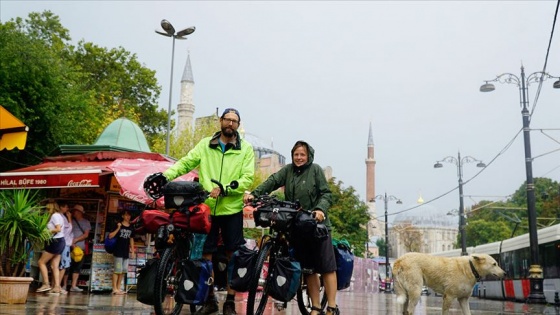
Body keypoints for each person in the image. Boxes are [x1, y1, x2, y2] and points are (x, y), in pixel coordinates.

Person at [160, 108, 255, 315]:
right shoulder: (205, 144)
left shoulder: (246, 149)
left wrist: (227, 188)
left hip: (231, 208)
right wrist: (165, 176)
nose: (230, 124)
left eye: (234, 121)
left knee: (233, 254)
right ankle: (210, 299)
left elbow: (247, 177)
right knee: (206, 255)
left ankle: (230, 300)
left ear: (238, 125)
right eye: (227, 120)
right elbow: (186, 162)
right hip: (207, 209)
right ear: (220, 121)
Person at [244, 140, 340, 315]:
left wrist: (320, 209)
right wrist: (254, 194)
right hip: (297, 225)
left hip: (317, 226)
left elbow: (326, 193)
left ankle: (332, 307)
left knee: (326, 267)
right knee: (308, 269)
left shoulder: (316, 170)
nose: (299, 158)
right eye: (296, 154)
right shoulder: (287, 171)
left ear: (309, 156)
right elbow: (272, 181)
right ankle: (316, 308)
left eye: (302, 154)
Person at [36, 200, 68, 294]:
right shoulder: (59, 216)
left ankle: (46, 284)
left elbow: (58, 229)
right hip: (60, 241)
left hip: (55, 241)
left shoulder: (54, 216)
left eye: (47, 208)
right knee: (55, 266)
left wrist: (45, 232)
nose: (46, 210)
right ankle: (57, 287)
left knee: (41, 262)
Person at [108, 209, 135, 295]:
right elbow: (110, 236)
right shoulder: (118, 225)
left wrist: (133, 250)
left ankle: (119, 288)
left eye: (129, 215)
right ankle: (114, 288)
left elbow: (131, 238)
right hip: (118, 250)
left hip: (125, 251)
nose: (128, 217)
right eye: (126, 215)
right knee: (117, 270)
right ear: (122, 216)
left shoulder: (131, 227)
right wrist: (118, 228)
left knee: (123, 270)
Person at [67, 204, 91, 293]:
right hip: (69, 247)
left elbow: (86, 234)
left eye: (76, 211)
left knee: (77, 267)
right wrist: (71, 242)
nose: (74, 213)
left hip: (80, 249)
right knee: (66, 266)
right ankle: (64, 285)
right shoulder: (71, 221)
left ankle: (73, 285)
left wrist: (76, 240)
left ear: (80, 213)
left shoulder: (86, 222)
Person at [57, 202, 72, 294]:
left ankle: (56, 285)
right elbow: (69, 229)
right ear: (61, 207)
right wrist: (70, 218)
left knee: (58, 265)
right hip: (64, 243)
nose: (67, 208)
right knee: (63, 265)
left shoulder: (59, 216)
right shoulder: (61, 217)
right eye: (66, 206)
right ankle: (57, 285)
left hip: (61, 243)